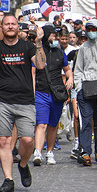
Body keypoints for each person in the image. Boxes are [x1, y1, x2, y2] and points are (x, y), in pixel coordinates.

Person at [0, 15, 46, 192]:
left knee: (27, 139)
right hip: (3, 100)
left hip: (25, 101)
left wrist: (39, 42)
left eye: (13, 24)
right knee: (4, 140)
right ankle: (8, 179)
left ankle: (23, 165)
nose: (10, 26)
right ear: (1, 27)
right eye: (7, 24)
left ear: (18, 27)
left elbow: (40, 65)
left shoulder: (28, 46)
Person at [32, 25, 73, 166]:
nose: (56, 38)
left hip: (57, 94)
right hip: (40, 92)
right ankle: (37, 151)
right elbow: (33, 72)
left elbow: (67, 70)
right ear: (46, 36)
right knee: (41, 124)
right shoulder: (37, 50)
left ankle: (50, 152)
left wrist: (70, 79)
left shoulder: (60, 52)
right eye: (53, 36)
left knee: (53, 125)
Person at [74, 20, 97, 166]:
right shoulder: (82, 48)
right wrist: (78, 87)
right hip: (85, 89)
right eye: (88, 29)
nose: (91, 31)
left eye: (94, 29)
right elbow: (78, 69)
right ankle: (86, 152)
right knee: (86, 122)